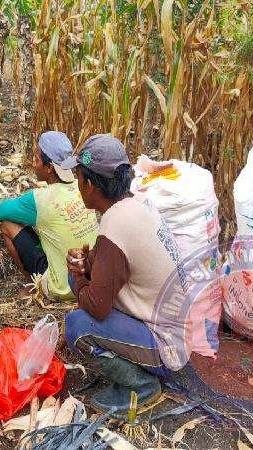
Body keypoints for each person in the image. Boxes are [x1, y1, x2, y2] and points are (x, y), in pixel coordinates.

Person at [61, 134, 190, 414]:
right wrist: (86, 265)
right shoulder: (137, 204)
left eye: (78, 178)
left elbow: (97, 306)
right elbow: (114, 262)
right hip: (176, 331)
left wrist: (79, 277)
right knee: (77, 282)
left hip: (166, 347)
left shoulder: (115, 222)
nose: (78, 186)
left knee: (77, 327)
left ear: (90, 184)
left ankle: (141, 386)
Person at [0, 131, 98, 300]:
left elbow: (0, 211)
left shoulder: (40, 199)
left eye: (37, 159)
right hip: (91, 280)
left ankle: (34, 285)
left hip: (63, 288)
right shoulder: (81, 186)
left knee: (7, 225)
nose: (34, 164)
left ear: (49, 167)